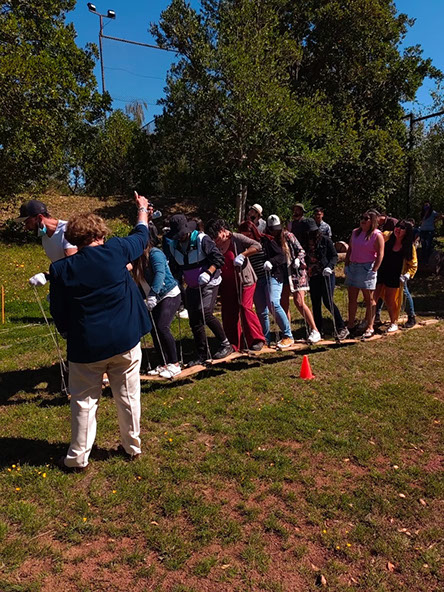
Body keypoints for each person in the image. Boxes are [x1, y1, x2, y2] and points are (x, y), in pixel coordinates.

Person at [49, 192, 152, 472]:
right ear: (100, 233)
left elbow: (59, 311)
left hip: (86, 346)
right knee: (128, 396)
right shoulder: (116, 250)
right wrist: (142, 209)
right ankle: (132, 447)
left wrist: (67, 332)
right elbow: (142, 235)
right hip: (125, 340)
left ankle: (78, 458)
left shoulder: (61, 269)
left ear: (74, 238)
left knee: (83, 403)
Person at [164, 214, 233, 366]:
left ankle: (226, 344)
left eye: (182, 234)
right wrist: (175, 280)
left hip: (210, 281)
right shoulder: (173, 245)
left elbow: (218, 259)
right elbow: (175, 267)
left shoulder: (202, 240)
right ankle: (202, 354)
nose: (180, 237)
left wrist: (208, 272)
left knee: (204, 312)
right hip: (192, 285)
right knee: (194, 319)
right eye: (177, 235)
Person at [206, 218, 266, 351]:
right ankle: (233, 344)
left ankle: (257, 339)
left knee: (245, 307)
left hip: (245, 281)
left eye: (216, 237)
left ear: (222, 231)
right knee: (228, 312)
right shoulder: (213, 245)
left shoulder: (236, 238)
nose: (215, 240)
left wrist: (243, 255)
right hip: (227, 283)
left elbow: (257, 246)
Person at [238, 219, 294, 349]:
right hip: (257, 280)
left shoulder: (266, 240)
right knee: (261, 310)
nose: (246, 238)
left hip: (272, 276)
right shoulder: (243, 246)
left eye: (248, 235)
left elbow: (281, 256)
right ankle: (265, 338)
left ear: (253, 232)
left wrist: (271, 262)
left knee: (273, 303)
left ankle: (288, 335)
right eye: (243, 236)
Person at [132, 243, 182, 379]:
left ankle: (175, 364)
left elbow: (160, 274)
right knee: (154, 330)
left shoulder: (155, 254)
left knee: (162, 326)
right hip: (153, 298)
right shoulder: (136, 260)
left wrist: (153, 293)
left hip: (168, 294)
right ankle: (164, 363)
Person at [275, 217, 322, 344]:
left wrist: (297, 259)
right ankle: (287, 333)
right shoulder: (272, 238)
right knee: (283, 303)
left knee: (299, 302)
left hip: (296, 273)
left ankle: (315, 330)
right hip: (282, 273)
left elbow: (301, 250)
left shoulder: (288, 235)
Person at [15, 199, 77, 287]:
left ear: (39, 218)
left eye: (28, 222)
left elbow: (73, 264)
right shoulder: (45, 237)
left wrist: (46, 276)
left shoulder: (68, 230)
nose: (26, 227)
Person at [305, 219, 349, 340]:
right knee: (315, 303)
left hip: (326, 274)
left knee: (327, 301)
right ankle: (318, 330)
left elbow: (334, 256)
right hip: (313, 275)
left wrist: (329, 267)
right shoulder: (305, 242)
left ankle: (341, 327)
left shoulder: (325, 240)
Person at [344, 211, 384, 339]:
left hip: (367, 267)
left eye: (366, 218)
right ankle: (350, 324)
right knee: (352, 297)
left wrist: (374, 269)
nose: (363, 220)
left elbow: (380, 254)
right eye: (361, 218)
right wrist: (346, 264)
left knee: (369, 299)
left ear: (372, 221)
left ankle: (370, 326)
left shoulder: (377, 235)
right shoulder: (355, 232)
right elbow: (350, 249)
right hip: (353, 266)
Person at [373, 221, 416, 333]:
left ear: (407, 232)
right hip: (381, 272)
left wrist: (407, 275)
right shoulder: (386, 236)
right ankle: (370, 321)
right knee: (373, 297)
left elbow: (413, 264)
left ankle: (394, 322)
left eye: (402, 228)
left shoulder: (409, 246)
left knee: (390, 299)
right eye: (397, 226)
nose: (398, 229)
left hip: (395, 275)